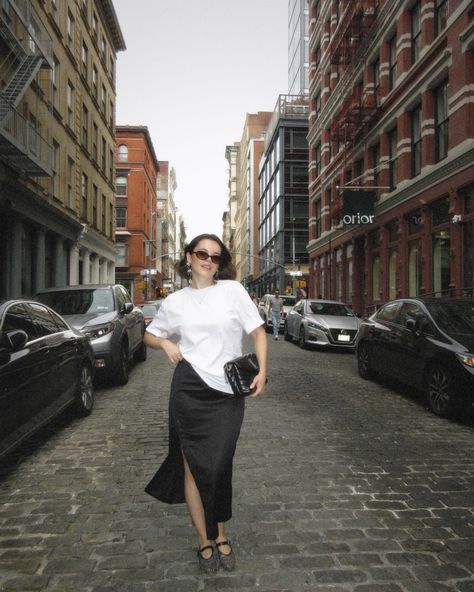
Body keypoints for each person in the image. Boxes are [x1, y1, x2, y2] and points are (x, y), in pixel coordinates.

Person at [143, 233, 268, 574]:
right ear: (189, 256)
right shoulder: (176, 301)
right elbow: (149, 335)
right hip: (189, 389)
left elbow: (257, 331)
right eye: (202, 253)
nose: (208, 261)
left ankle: (221, 531)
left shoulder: (232, 291)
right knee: (193, 466)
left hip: (227, 392)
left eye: (215, 256)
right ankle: (204, 539)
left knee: (218, 464)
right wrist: (166, 345)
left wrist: (263, 371)